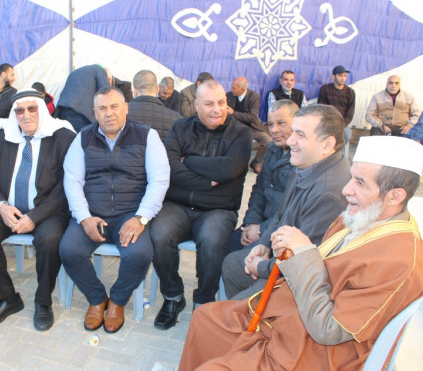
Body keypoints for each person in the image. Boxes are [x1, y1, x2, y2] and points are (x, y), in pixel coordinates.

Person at [179, 135, 423, 371]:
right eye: (351, 178)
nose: (346, 190)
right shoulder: (360, 217)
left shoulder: (400, 261)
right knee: (204, 320)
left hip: (314, 351)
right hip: (292, 318)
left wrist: (303, 253)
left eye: (360, 183)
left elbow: (329, 330)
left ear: (395, 196)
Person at [59, 86, 170, 334]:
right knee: (69, 250)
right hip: (93, 214)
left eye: (114, 106)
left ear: (126, 108)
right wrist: (84, 217)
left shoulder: (147, 136)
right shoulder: (83, 137)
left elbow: (160, 180)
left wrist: (141, 218)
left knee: (139, 255)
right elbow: (72, 181)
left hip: (130, 214)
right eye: (102, 108)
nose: (109, 113)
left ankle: (117, 301)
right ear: (95, 113)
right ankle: (97, 299)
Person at [150, 80, 252, 329]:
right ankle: (173, 296)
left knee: (212, 240)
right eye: (209, 104)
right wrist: (209, 181)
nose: (217, 109)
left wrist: (189, 161)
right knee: (159, 233)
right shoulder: (180, 127)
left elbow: (229, 169)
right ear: (196, 105)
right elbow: (170, 167)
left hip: (219, 209)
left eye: (222, 103)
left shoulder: (241, 132)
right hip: (178, 204)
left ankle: (204, 301)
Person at [0, 90, 75, 330]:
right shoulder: (3, 136)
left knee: (49, 239)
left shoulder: (63, 137)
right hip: (10, 209)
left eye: (32, 108)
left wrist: (34, 217)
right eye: (19, 111)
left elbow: (66, 187)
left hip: (47, 211)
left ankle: (43, 301)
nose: (26, 115)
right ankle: (7, 299)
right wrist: (2, 207)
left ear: (42, 110)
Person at [222, 104, 351, 300]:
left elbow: (303, 261)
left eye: (300, 135)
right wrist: (264, 245)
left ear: (327, 144)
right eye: (293, 132)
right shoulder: (306, 164)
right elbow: (282, 214)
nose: (290, 141)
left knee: (225, 312)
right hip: (280, 259)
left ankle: (245, 315)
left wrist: (261, 267)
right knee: (232, 264)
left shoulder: (327, 194)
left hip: (296, 285)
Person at [226, 100, 298, 254]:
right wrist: (251, 222)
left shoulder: (302, 156)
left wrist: (261, 230)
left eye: (281, 123)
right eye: (270, 124)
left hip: (282, 232)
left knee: (238, 260)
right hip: (260, 223)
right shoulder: (272, 148)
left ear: (297, 122)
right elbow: (259, 189)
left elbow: (294, 210)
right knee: (227, 244)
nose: (274, 130)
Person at [226, 76, 270, 173]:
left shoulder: (254, 97)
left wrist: (233, 113)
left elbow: (252, 117)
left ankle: (256, 162)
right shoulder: (228, 96)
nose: (231, 89)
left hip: (251, 127)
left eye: (234, 88)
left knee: (267, 141)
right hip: (234, 127)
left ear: (242, 89)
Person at [127, 70, 181, 141]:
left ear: (134, 91)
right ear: (157, 89)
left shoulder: (122, 113)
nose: (167, 96)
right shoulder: (177, 119)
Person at [54, 64, 111, 132]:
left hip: (62, 111)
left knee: (69, 136)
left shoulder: (76, 72)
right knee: (83, 137)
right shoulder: (100, 70)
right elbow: (106, 92)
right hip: (80, 113)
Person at [318, 65, 355, 155]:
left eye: (345, 76)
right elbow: (322, 109)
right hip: (328, 122)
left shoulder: (350, 92)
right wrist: (330, 123)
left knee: (347, 134)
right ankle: (327, 153)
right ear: (334, 76)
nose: (343, 78)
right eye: (340, 75)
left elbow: (350, 112)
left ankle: (335, 153)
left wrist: (341, 124)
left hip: (342, 123)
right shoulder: (325, 89)